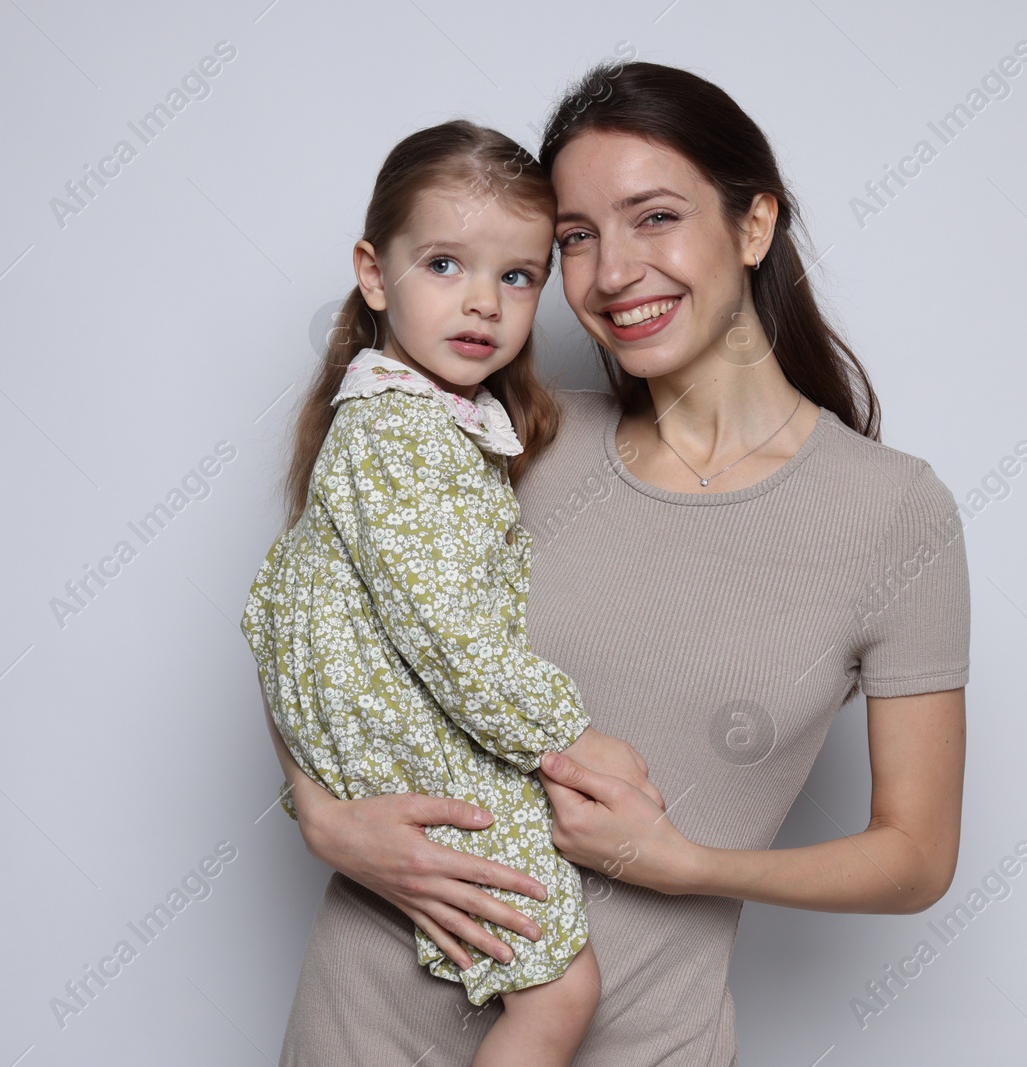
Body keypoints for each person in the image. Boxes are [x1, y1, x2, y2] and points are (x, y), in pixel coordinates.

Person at [262, 62, 970, 1066]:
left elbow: (915, 856)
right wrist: (324, 817)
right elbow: (307, 606)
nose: (610, 274)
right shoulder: (510, 438)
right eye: (577, 239)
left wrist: (687, 863)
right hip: (363, 1024)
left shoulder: (895, 514)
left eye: (653, 217)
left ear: (754, 223)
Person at [240, 118, 664, 1067]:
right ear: (374, 272)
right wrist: (566, 736)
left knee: (544, 981)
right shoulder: (406, 434)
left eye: (516, 277)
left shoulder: (426, 420)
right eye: (444, 265)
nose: (482, 303)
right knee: (564, 989)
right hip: (419, 748)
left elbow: (277, 605)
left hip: (382, 741)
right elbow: (454, 639)